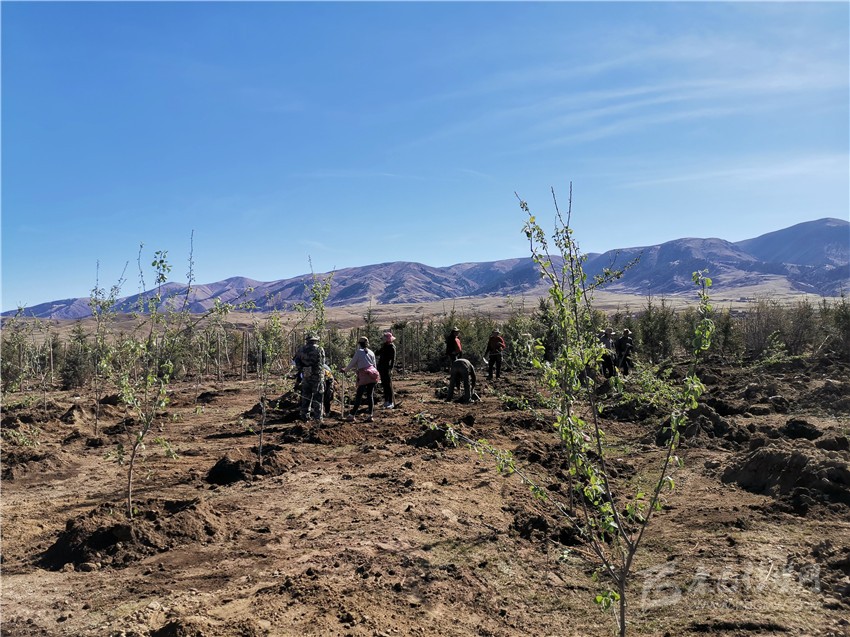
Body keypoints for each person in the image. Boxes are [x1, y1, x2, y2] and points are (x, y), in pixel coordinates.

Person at [344, 336, 377, 422]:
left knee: (359, 395)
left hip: (364, 376)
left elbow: (352, 363)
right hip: (373, 375)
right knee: (370, 395)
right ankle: (370, 415)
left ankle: (352, 415)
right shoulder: (371, 352)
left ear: (359, 344)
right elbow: (374, 366)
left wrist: (345, 370)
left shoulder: (359, 352)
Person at [295, 333, 325, 421]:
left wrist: (302, 369)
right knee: (318, 397)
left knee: (306, 396)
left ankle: (304, 417)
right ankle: (318, 418)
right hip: (317, 376)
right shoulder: (319, 349)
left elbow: (297, 361)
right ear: (315, 340)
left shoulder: (301, 349)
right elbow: (322, 363)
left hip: (306, 376)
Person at [376, 331, 396, 409]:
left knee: (388, 385)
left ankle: (390, 402)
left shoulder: (392, 347)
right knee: (384, 384)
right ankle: (386, 400)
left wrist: (391, 369)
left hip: (387, 368)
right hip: (382, 367)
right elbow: (377, 353)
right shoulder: (384, 346)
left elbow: (393, 359)